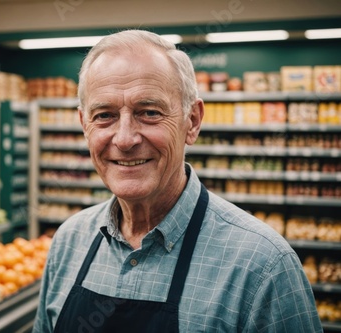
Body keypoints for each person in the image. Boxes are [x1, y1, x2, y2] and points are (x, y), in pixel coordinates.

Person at [32, 30, 322, 332]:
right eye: (104, 115)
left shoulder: (263, 266)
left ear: (192, 121)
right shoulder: (68, 242)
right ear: (84, 125)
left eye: (149, 112)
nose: (125, 139)